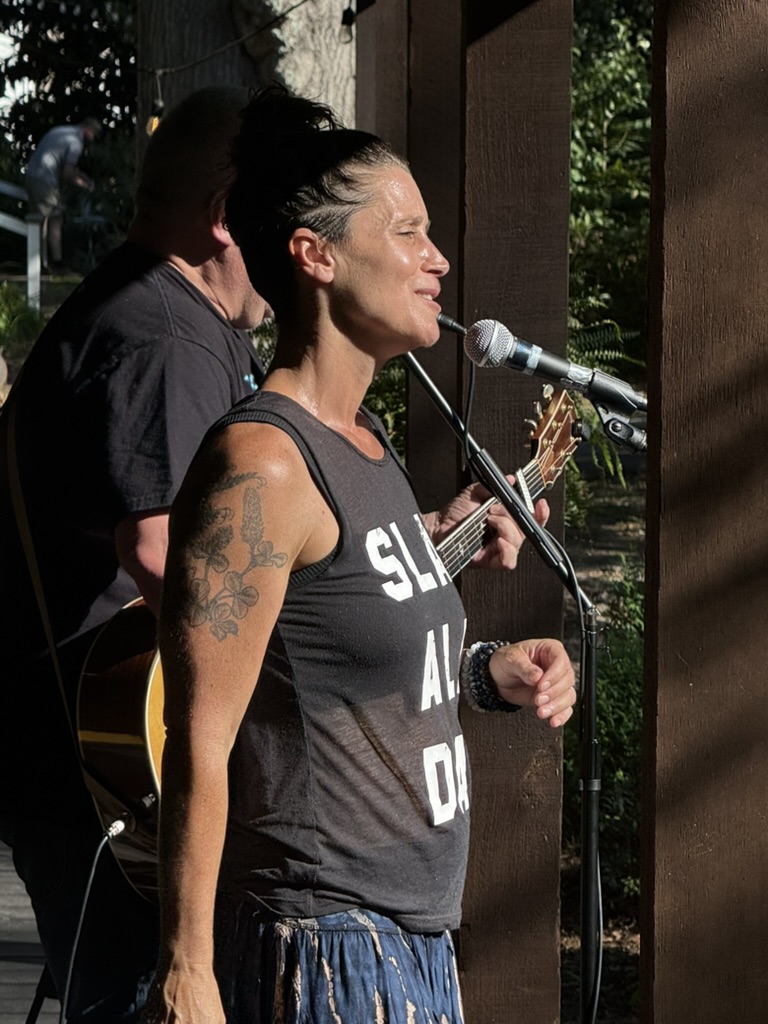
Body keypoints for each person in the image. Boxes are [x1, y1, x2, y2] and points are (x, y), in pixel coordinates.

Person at [147, 86, 576, 1024]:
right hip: (323, 947)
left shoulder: (366, 446)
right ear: (318, 254)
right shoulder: (262, 463)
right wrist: (187, 969)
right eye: (409, 232)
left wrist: (486, 672)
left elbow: (339, 666)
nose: (438, 259)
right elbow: (201, 736)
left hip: (413, 940)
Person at [0, 87, 268, 1023]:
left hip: (101, 757)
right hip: (104, 764)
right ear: (228, 217)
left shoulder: (164, 316)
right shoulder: (163, 336)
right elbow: (163, 554)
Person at [25, 115, 102, 273]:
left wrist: (82, 176)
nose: (92, 140)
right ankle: (54, 263)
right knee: (54, 219)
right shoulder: (76, 142)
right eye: (93, 136)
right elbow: (67, 173)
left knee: (40, 220)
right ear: (89, 130)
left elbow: (65, 165)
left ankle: (42, 263)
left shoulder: (61, 131)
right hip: (45, 180)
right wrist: (86, 185)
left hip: (32, 175)